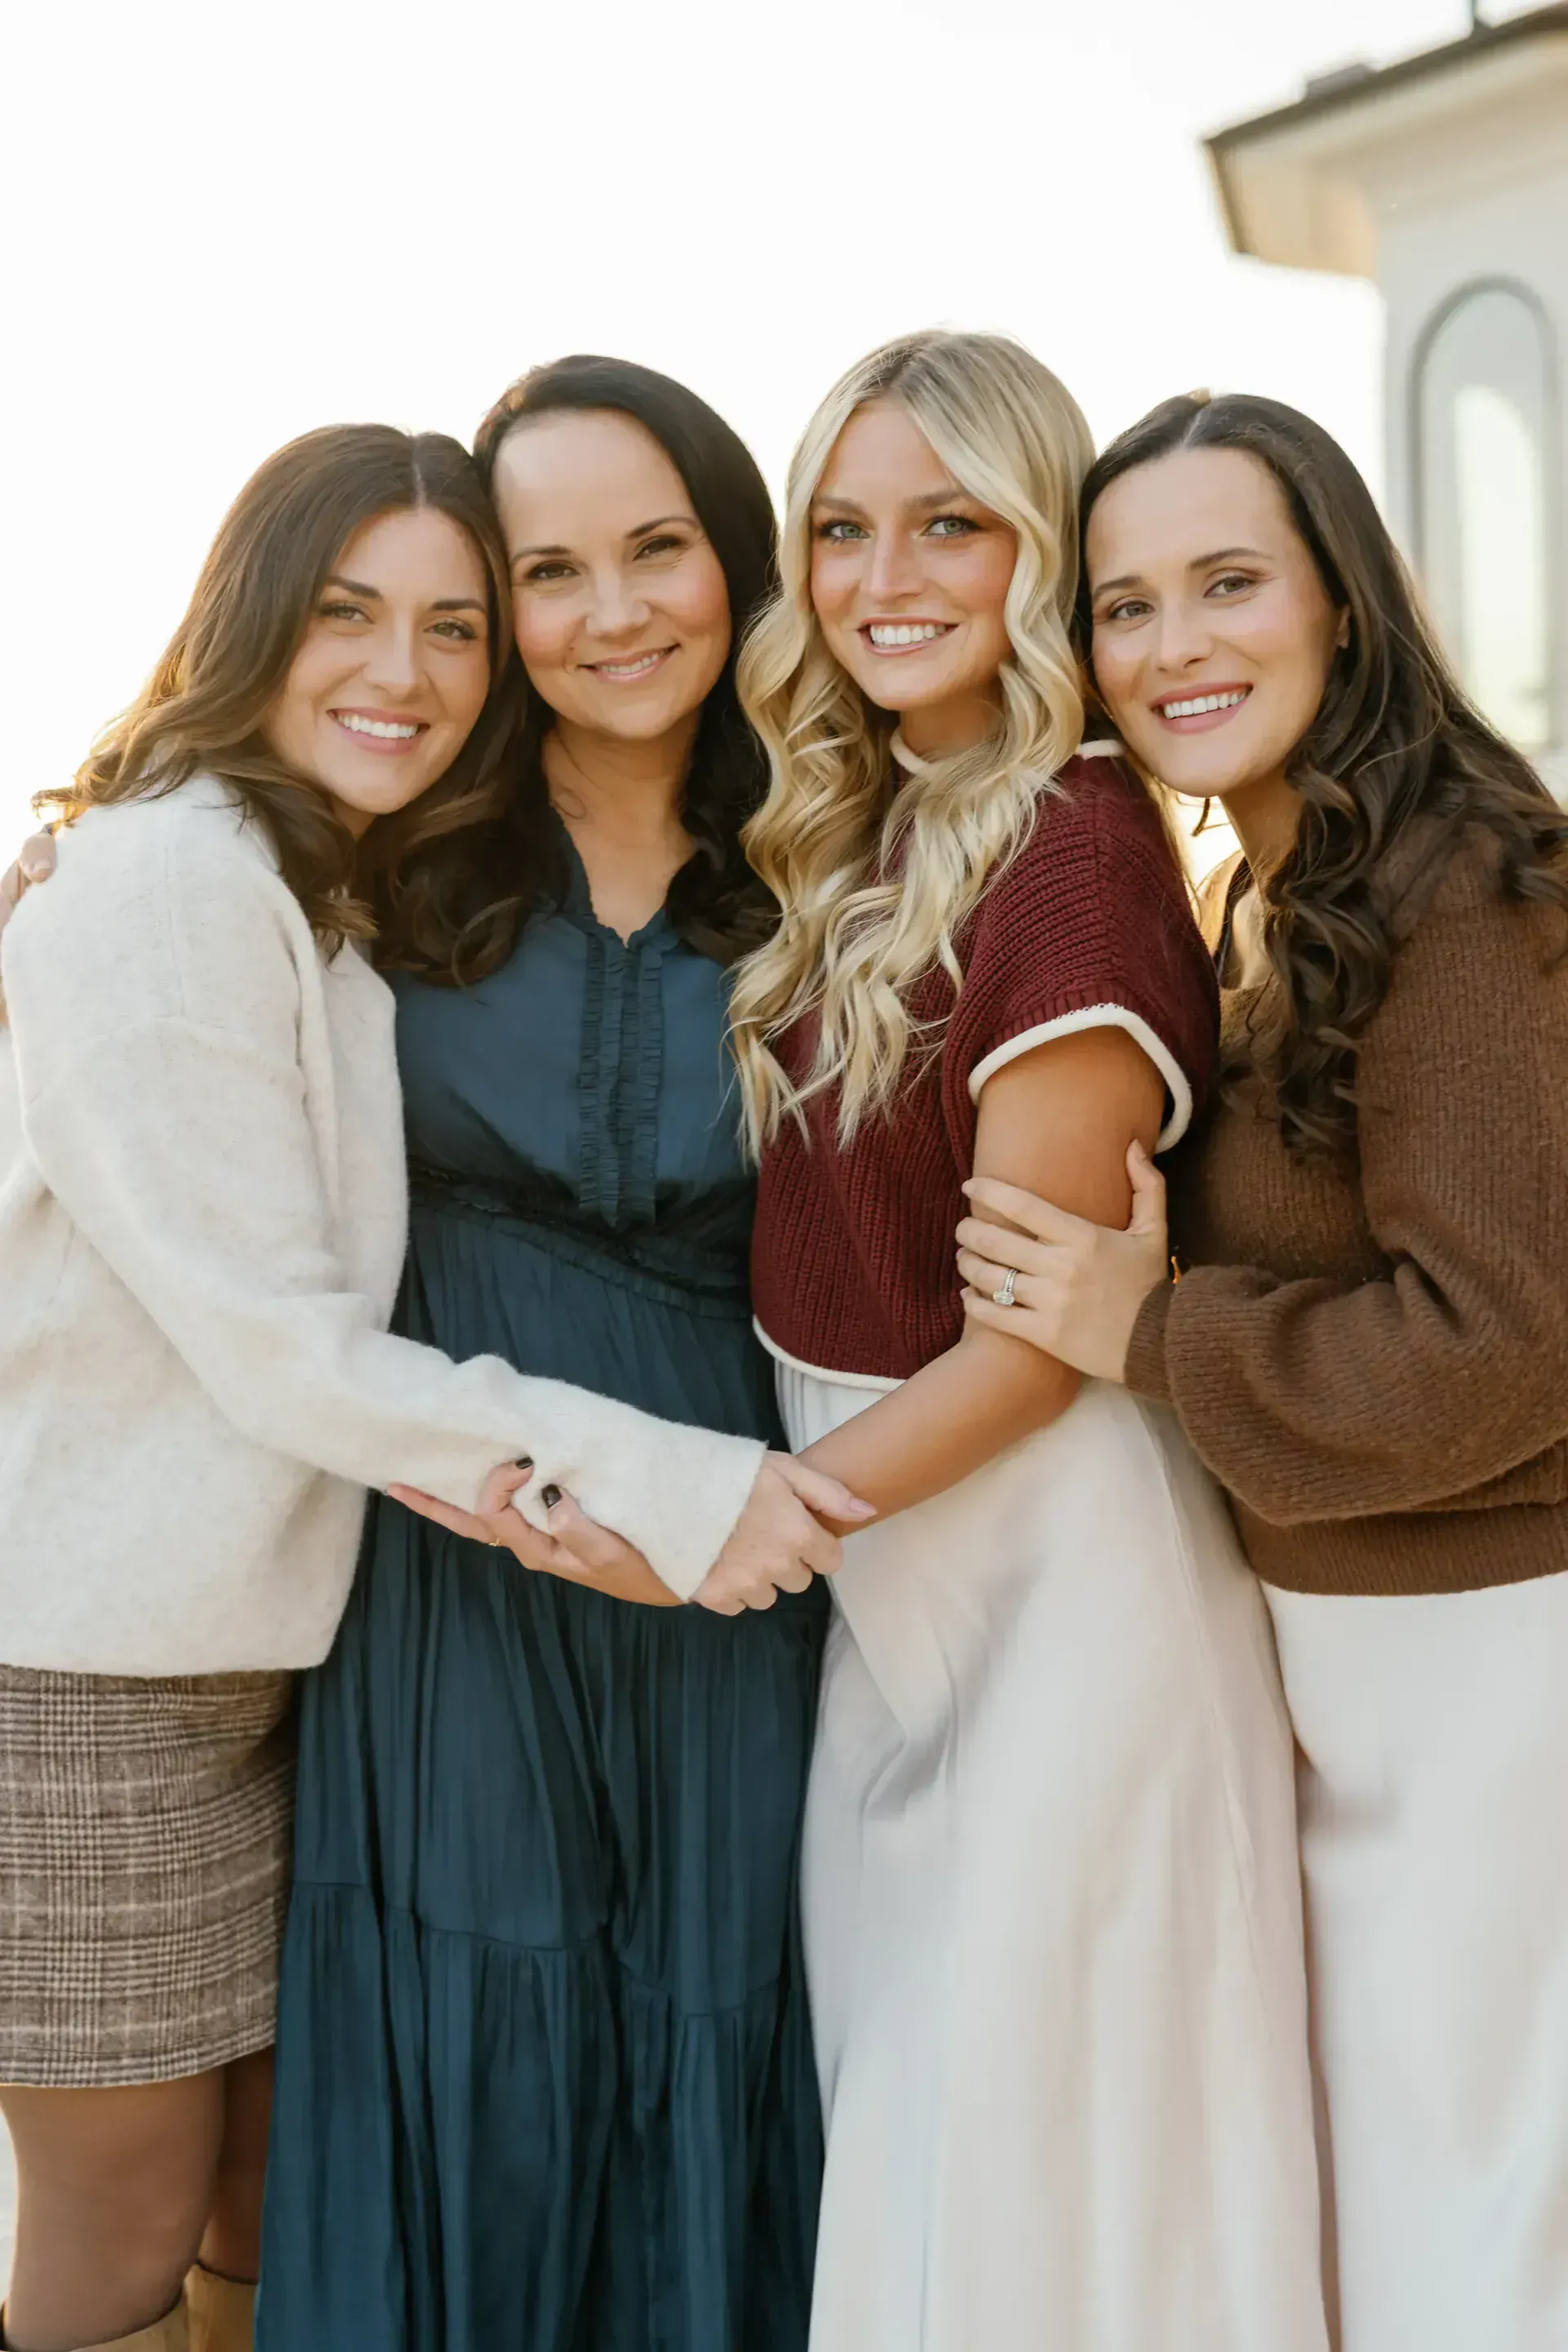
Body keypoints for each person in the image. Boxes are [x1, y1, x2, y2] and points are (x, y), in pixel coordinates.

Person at [0, 421, 851, 2352]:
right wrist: (671, 1484)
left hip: (259, 1649)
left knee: (263, 2185)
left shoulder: (310, 871)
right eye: (346, 614)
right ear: (248, 621)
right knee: (114, 2234)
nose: (406, 669)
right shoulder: (163, 879)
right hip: (91, 1680)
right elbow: (275, 1337)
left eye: (450, 625)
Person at [728, 334, 1330, 2352]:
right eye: (841, 529)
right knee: (933, 2157)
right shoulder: (875, 817)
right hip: (904, 1592)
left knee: (1049, 2185)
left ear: (1039, 550)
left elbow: (1037, 1347)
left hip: (1065, 1591)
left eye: (951, 525)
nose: (884, 577)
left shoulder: (1071, 854)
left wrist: (754, 1521)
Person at [954, 389, 1568, 2352]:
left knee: (1486, 2246)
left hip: (1499, 1673)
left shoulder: (1471, 891)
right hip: (1370, 1671)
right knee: (1418, 2226)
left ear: (1342, 604)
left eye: (1229, 583)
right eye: (1125, 605)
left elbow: (1508, 1342)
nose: (1173, 646)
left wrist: (1146, 1329)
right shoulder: (1270, 899)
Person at [256, 359, 842, 2352]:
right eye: (548, 573)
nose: (611, 615)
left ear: (734, 560)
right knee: (472, 2041)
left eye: (656, 549)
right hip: (457, 1553)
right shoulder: (381, 852)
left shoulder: (835, 863)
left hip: (733, 1555)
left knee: (724, 2013)